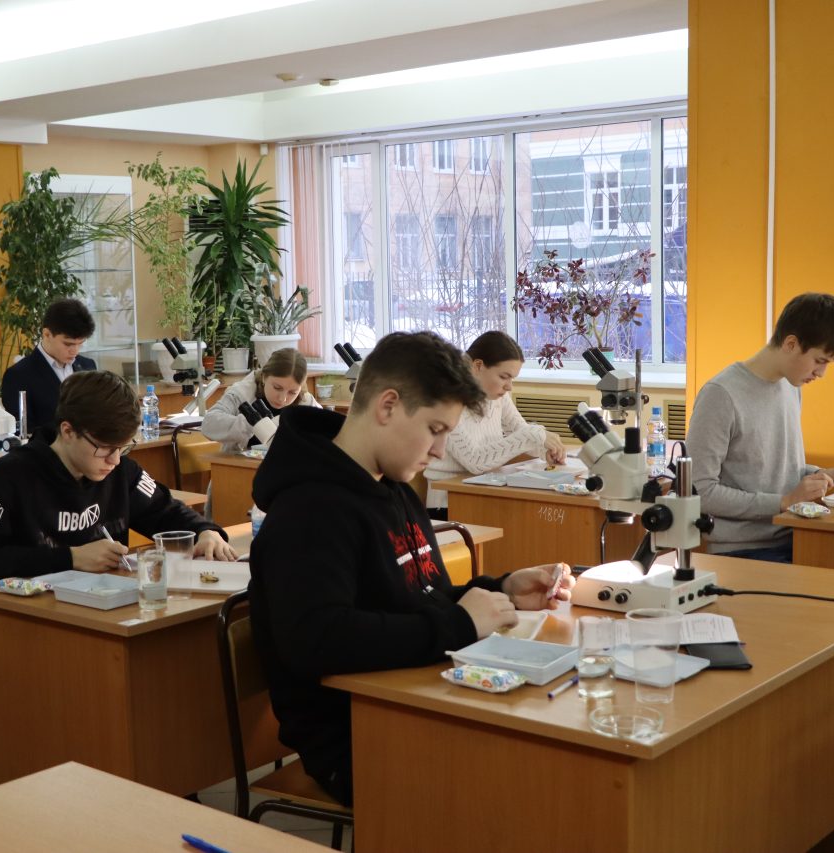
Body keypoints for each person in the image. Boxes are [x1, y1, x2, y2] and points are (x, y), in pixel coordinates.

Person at [248, 331, 573, 806]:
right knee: (539, 778)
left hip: (415, 699)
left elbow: (420, 598)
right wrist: (460, 624)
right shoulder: (308, 511)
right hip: (356, 734)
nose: (440, 451)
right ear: (388, 406)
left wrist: (500, 589)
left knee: (556, 733)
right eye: (435, 429)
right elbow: (317, 641)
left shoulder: (394, 488)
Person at [0, 370, 237, 584]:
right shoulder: (9, 477)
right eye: (104, 448)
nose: (115, 460)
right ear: (68, 431)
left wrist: (206, 532)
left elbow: (166, 512)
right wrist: (71, 558)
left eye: (122, 448)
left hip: (105, 607)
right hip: (34, 619)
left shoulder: (121, 472)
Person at [685, 292, 834, 563]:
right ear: (791, 344)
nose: (821, 373)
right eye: (820, 361)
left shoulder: (790, 385)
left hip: (795, 535)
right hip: (744, 551)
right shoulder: (721, 395)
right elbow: (699, 492)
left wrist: (824, 475)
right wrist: (784, 502)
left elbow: (772, 471)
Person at [423, 331, 566, 518]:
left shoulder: (497, 395)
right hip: (448, 503)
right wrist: (536, 435)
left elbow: (521, 432)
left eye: (512, 378)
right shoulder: (446, 398)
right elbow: (474, 461)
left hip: (485, 492)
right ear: (478, 366)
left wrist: (544, 450)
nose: (509, 386)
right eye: (504, 376)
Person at [1, 298, 97, 434]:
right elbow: (23, 433)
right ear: (47, 334)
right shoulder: (18, 375)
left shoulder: (88, 365)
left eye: (80, 343)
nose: (75, 351)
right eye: (68, 344)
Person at [201, 348, 321, 453]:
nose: (283, 398)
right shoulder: (242, 392)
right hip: (241, 468)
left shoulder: (306, 401)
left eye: (292, 392)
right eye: (277, 388)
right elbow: (208, 424)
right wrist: (251, 423)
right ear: (264, 377)